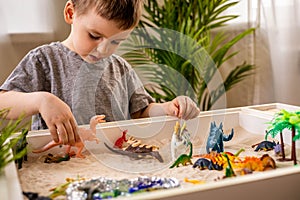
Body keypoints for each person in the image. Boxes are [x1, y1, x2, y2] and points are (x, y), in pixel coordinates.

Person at [0, 0, 200, 146]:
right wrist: (41, 100)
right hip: (60, 162)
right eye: (94, 36)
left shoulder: (120, 67)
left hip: (114, 160)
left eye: (116, 42)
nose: (104, 50)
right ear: (71, 13)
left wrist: (168, 108)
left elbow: (141, 112)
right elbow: (3, 102)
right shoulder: (44, 60)